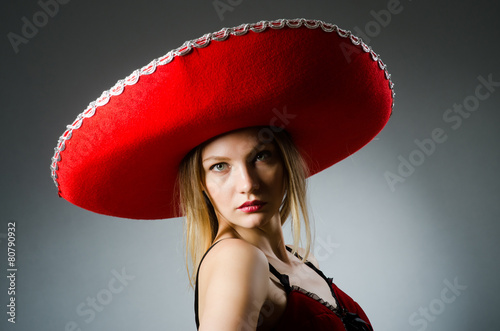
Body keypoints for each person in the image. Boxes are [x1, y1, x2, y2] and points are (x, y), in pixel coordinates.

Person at [50, 18, 394, 330]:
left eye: (261, 157)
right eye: (219, 167)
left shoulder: (304, 261)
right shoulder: (238, 259)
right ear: (201, 184)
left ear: (286, 164)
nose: (247, 184)